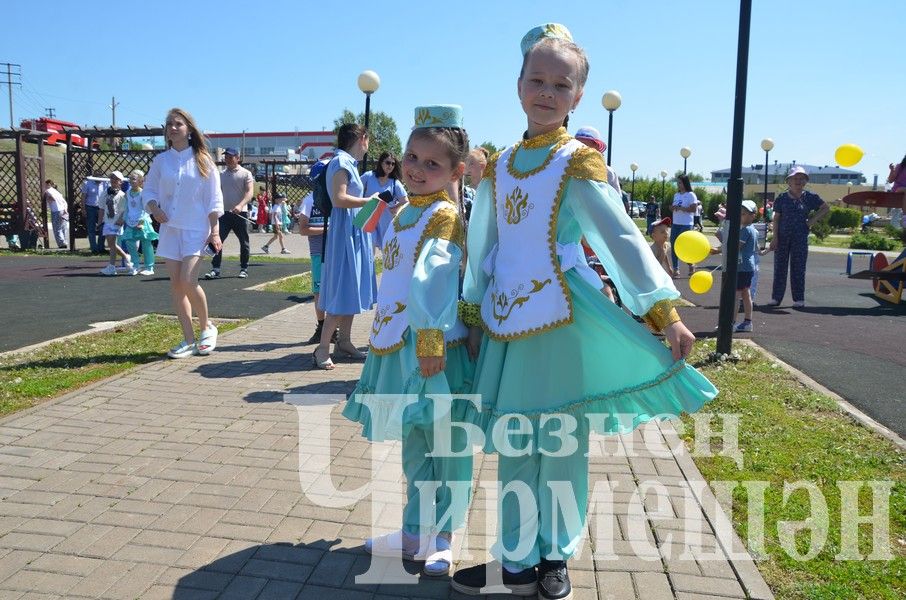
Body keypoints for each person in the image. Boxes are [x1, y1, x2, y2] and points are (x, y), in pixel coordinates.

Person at [452, 24, 717, 600]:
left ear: (576, 96)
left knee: (563, 442)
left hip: (566, 318)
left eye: (560, 84)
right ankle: (516, 561)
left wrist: (661, 310)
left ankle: (554, 557)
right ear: (518, 84)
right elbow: (482, 246)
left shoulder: (578, 163)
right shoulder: (497, 167)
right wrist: (470, 312)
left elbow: (620, 238)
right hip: (505, 323)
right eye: (537, 79)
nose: (546, 92)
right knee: (517, 441)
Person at [342, 104, 473, 578]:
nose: (417, 169)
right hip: (395, 343)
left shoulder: (444, 215)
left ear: (455, 172)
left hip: (431, 347)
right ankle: (415, 529)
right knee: (415, 442)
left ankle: (445, 535)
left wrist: (432, 341)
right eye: (412, 158)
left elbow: (436, 278)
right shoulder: (400, 210)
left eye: (432, 164)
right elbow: (368, 240)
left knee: (447, 443)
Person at [143, 107, 224, 358]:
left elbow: (214, 199)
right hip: (170, 229)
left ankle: (207, 327)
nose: (173, 128)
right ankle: (188, 339)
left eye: (178, 124)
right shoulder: (160, 161)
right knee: (177, 286)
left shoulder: (203, 160)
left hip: (196, 229)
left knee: (189, 281)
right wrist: (155, 208)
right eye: (169, 124)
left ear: (189, 129)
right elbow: (149, 192)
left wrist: (215, 231)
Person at [312, 123, 378, 369]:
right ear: (362, 138)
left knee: (349, 289)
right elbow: (339, 199)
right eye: (368, 140)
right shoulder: (341, 163)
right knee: (341, 291)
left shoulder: (347, 163)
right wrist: (368, 200)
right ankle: (322, 348)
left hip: (352, 231)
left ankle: (345, 342)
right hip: (344, 235)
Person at [766, 166, 829, 308]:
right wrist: (774, 238)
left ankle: (798, 299)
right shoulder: (782, 198)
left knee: (798, 268)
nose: (799, 181)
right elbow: (776, 218)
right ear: (789, 181)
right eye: (795, 178)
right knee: (780, 268)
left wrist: (812, 221)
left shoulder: (810, 197)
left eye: (802, 179)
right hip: (782, 237)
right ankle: (776, 298)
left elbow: (825, 208)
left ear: (805, 181)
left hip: (800, 237)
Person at [296, 180, 337, 344]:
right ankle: (321, 327)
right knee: (319, 290)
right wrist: (327, 229)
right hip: (319, 252)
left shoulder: (336, 198)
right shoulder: (310, 200)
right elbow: (303, 229)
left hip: (336, 251)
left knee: (335, 290)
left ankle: (335, 329)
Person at [206, 148, 254, 279]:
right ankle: (215, 269)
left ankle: (244, 268)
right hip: (224, 214)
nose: (227, 159)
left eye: (230, 157)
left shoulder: (246, 174)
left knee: (244, 242)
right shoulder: (220, 175)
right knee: (217, 240)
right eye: (226, 157)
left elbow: (250, 192)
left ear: (238, 158)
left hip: (240, 213)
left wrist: (240, 205)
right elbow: (215, 193)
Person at [711, 200, 758, 331]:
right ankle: (747, 322)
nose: (740, 216)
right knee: (745, 294)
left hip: (742, 267)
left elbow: (735, 247)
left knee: (736, 295)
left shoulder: (746, 230)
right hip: (747, 266)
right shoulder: (751, 230)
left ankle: (731, 323)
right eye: (740, 213)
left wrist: (721, 241)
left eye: (744, 214)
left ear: (753, 215)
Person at [119, 170, 158, 276]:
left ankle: (149, 267)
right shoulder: (127, 192)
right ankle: (135, 265)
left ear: (141, 181)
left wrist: (141, 222)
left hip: (142, 222)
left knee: (146, 244)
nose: (131, 181)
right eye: (130, 178)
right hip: (130, 221)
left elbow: (146, 209)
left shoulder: (143, 193)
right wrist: (123, 218)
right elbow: (127, 207)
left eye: (134, 179)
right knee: (129, 242)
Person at [98, 171, 132, 276]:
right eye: (112, 178)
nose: (113, 180)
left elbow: (125, 210)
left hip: (116, 222)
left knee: (112, 243)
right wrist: (99, 222)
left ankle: (112, 267)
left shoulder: (122, 195)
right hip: (107, 222)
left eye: (116, 179)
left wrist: (121, 220)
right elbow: (101, 208)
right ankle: (126, 257)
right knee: (111, 244)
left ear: (120, 182)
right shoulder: (105, 193)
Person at [670, 174, 700, 276]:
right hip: (676, 223)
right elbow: (673, 207)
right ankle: (676, 269)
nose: (678, 184)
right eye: (677, 182)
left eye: (680, 182)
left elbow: (693, 209)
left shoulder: (691, 195)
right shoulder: (676, 195)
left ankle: (691, 264)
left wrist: (682, 208)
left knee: (683, 247)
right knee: (674, 246)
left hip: (686, 224)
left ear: (685, 183)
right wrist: (672, 208)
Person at [81, 170, 108, 253]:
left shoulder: (105, 184)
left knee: (102, 227)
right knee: (91, 228)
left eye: (100, 176)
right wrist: (83, 208)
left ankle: (101, 247)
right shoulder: (87, 183)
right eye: (96, 176)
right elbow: (84, 196)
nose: (98, 178)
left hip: (102, 208)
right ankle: (94, 248)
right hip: (90, 207)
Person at [462, 147, 489, 223]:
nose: (467, 167)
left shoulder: (490, 189)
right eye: (466, 163)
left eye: (471, 164)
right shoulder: (465, 190)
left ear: (482, 166)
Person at [43, 179, 68, 249]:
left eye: (45, 184)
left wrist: (48, 201)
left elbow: (52, 198)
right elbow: (64, 201)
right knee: (63, 227)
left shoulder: (48, 191)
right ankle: (65, 241)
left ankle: (61, 243)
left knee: (57, 228)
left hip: (56, 210)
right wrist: (65, 209)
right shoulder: (56, 191)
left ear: (48, 184)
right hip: (63, 210)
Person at [887, 155, 906, 229]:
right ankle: (905, 218)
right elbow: (890, 180)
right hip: (898, 189)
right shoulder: (900, 166)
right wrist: (892, 170)